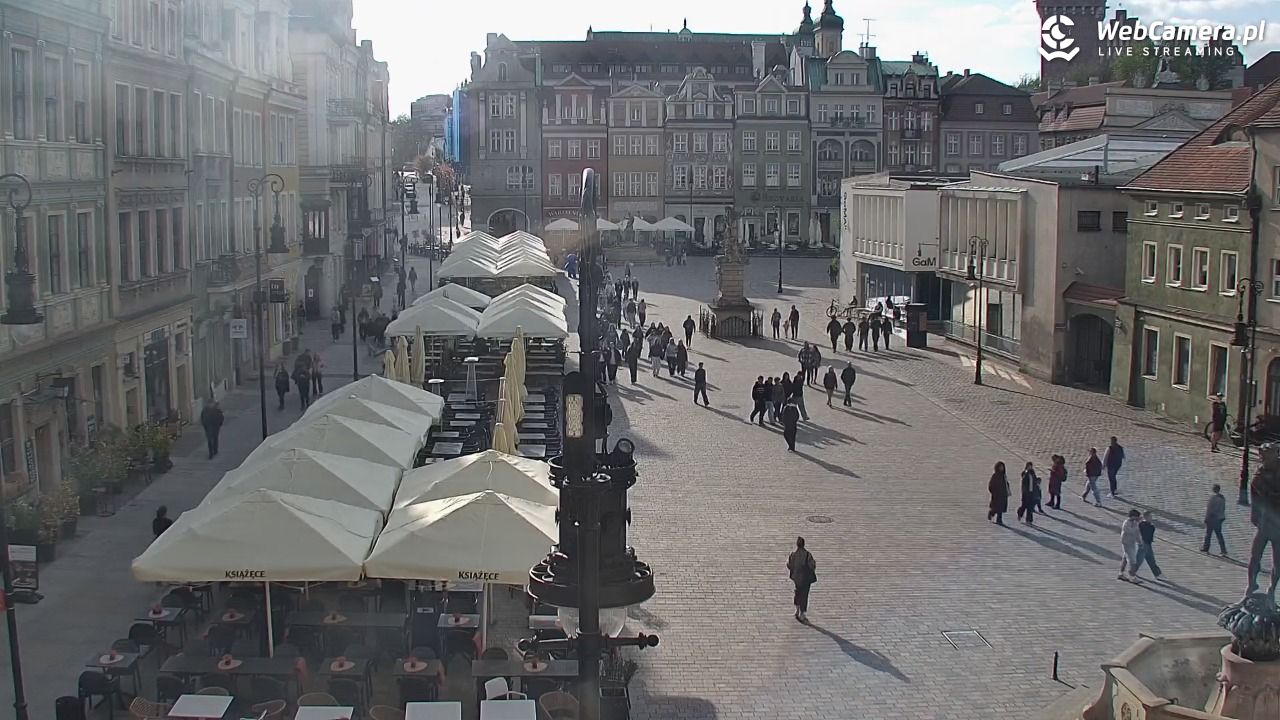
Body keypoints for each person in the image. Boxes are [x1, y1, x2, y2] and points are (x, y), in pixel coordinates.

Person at [786, 537, 816, 623]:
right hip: (806, 579)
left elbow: (789, 565)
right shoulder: (807, 555)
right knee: (804, 595)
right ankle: (802, 614)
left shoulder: (793, 555)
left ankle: (797, 610)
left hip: (797, 578)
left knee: (797, 592)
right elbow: (812, 565)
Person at [1135, 511, 1162, 579]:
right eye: (1150, 516)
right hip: (1144, 544)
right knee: (1140, 560)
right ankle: (1132, 572)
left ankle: (1157, 573)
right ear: (1146, 517)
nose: (1151, 518)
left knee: (1150, 559)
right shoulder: (1146, 525)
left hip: (1147, 544)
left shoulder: (1145, 525)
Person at [1119, 509, 1143, 583]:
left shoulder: (1135, 523)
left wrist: (1140, 542)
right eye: (1136, 517)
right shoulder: (1126, 523)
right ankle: (1132, 577)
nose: (1138, 518)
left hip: (1132, 543)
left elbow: (1137, 533)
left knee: (1125, 558)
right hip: (1126, 543)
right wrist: (1137, 524)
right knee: (1132, 561)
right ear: (1132, 516)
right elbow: (1131, 531)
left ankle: (1121, 573)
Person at [1202, 484, 1228, 555]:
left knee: (1208, 534)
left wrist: (1206, 518)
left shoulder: (1213, 498)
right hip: (1220, 518)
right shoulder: (1222, 498)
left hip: (1212, 518)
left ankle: (1206, 548)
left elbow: (1209, 509)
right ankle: (1223, 550)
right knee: (1219, 534)